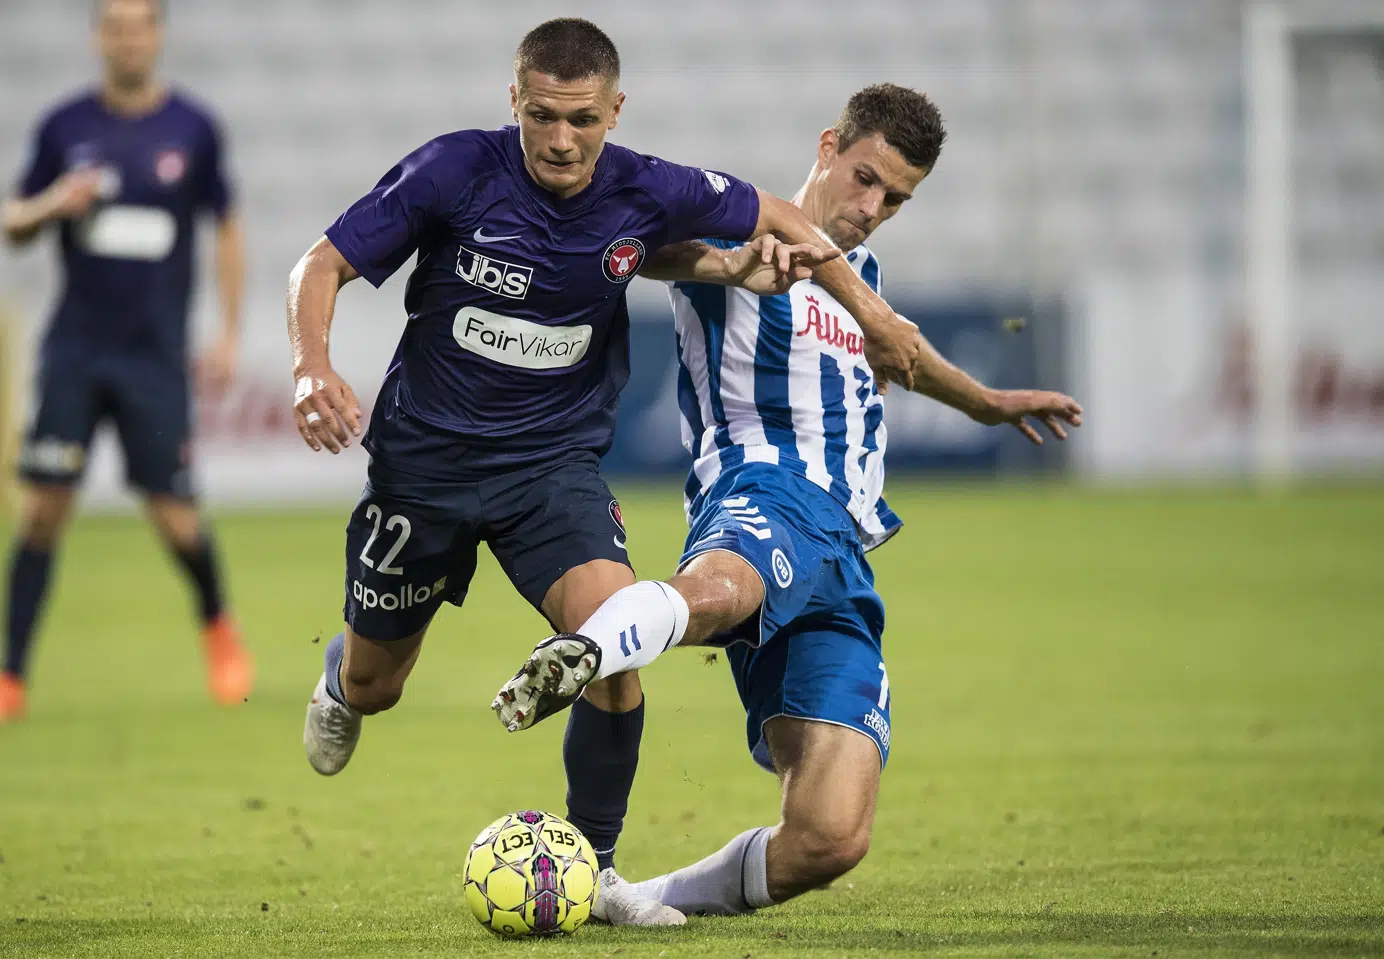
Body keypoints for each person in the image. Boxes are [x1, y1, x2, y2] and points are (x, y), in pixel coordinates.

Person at [290, 18, 922, 925]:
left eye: (582, 120)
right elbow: (323, 262)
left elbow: (782, 216)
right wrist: (313, 365)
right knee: (377, 688)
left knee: (613, 654)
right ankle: (341, 671)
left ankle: (597, 867)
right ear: (514, 101)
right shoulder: (453, 170)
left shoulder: (646, 185)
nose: (560, 139)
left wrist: (865, 312)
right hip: (423, 470)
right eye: (542, 115)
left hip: (551, 471)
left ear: (613, 112)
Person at [495, 84, 1084, 915]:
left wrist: (986, 402)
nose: (875, 207)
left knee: (828, 836)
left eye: (897, 198)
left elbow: (905, 353)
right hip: (761, 486)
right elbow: (633, 243)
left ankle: (624, 898)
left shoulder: (860, 285)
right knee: (727, 584)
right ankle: (600, 640)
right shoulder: (745, 231)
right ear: (828, 145)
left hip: (841, 556)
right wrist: (733, 264)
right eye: (866, 178)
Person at [0, 0, 251, 722]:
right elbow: (15, 221)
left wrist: (228, 332)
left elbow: (227, 227)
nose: (128, 38)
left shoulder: (192, 129)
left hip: (152, 357)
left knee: (175, 517)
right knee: (42, 511)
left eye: (140, 25)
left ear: (158, 35)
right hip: (76, 350)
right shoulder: (64, 127)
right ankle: (12, 674)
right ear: (97, 36)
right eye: (114, 25)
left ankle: (219, 626)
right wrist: (55, 203)